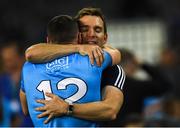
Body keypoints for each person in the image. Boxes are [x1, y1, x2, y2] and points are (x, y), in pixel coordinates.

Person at [25, 7, 125, 126]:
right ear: (76, 34)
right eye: (85, 29)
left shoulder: (112, 69)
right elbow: (30, 53)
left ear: (105, 38)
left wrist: (68, 108)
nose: (91, 34)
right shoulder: (43, 58)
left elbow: (110, 110)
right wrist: (78, 48)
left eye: (97, 30)